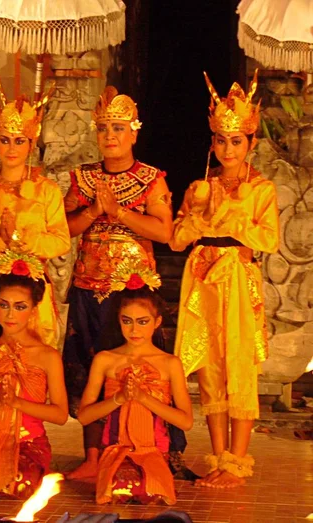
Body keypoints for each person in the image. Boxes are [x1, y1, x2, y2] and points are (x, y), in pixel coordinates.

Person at [169, 70, 279, 488]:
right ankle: (217, 457)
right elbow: (178, 240)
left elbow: (269, 238)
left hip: (236, 278)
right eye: (221, 140)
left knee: (239, 365)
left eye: (236, 141)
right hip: (202, 278)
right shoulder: (200, 187)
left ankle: (238, 460)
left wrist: (232, 222)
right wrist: (197, 219)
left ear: (250, 143)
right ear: (212, 142)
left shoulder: (261, 189)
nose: (227, 148)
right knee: (208, 367)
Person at [63, 86, 173, 479]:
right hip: (89, 285)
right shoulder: (83, 179)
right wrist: (95, 210)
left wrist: (121, 215)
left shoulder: (150, 179)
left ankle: (142, 447)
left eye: (119, 128)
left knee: (136, 371)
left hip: (133, 292)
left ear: (134, 133)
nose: (111, 136)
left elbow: (164, 232)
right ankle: (93, 455)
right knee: (88, 368)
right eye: (104, 128)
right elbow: (64, 228)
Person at [0, 78, 71, 375]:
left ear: (31, 144)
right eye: (5, 139)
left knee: (32, 363)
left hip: (31, 283)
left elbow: (61, 241)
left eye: (19, 141)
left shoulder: (47, 190)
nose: (11, 148)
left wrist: (21, 238)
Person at [77, 263, 192, 504]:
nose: (134, 329)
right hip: (116, 450)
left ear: (157, 322)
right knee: (122, 488)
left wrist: (144, 398)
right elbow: (85, 416)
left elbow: (186, 421)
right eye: (127, 321)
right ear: (118, 320)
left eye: (142, 321)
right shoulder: (106, 359)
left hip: (153, 450)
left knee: (149, 490)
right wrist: (118, 398)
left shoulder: (170, 363)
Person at [0, 252, 68, 499]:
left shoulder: (47, 356)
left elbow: (60, 414)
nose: (10, 315)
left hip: (30, 444)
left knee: (19, 483)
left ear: (33, 308)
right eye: (4, 305)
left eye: (20, 307)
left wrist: (18, 404)